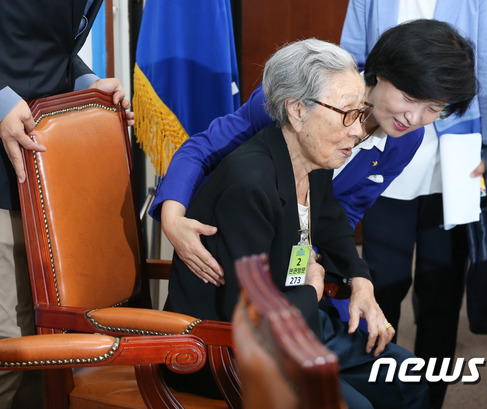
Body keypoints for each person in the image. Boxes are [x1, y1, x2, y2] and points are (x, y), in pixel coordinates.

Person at [163, 37, 431, 409]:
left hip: (297, 320)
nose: (358, 130)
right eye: (348, 114)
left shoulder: (314, 158)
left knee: (407, 374)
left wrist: (360, 280)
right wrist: (314, 289)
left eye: (361, 113)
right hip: (230, 351)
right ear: (297, 111)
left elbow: (333, 223)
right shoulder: (249, 186)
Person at [339, 2, 487, 408]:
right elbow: (351, 59)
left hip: (456, 161)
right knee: (381, 285)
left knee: (442, 292)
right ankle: (378, 393)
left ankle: (428, 399)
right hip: (386, 151)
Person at [0, 2, 134, 408]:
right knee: (10, 348)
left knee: (43, 347)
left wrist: (87, 82)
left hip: (46, 175)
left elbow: (42, 44)